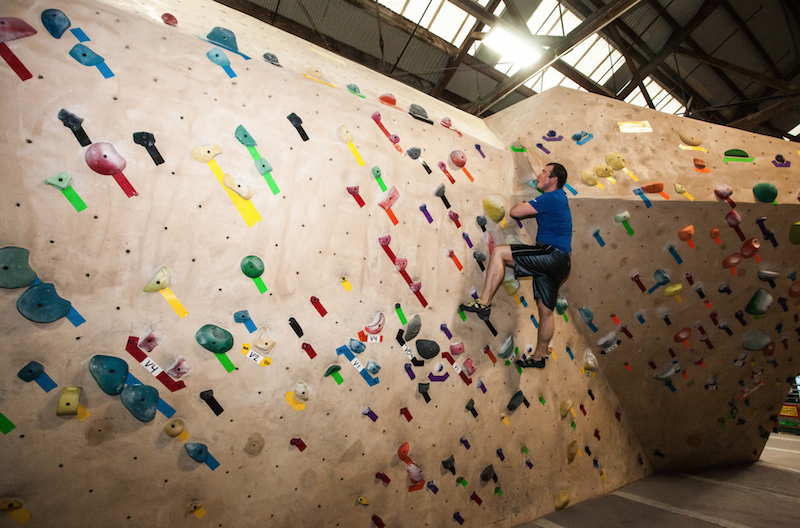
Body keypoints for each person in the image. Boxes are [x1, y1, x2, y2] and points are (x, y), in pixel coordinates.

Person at [459, 136, 572, 369]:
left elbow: (516, 211)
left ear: (554, 180)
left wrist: (531, 200)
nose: (539, 175)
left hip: (550, 254)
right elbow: (537, 190)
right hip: (561, 261)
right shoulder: (559, 198)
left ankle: (484, 303)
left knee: (499, 252)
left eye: (544, 173)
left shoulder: (550, 198)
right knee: (546, 312)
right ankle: (539, 358)